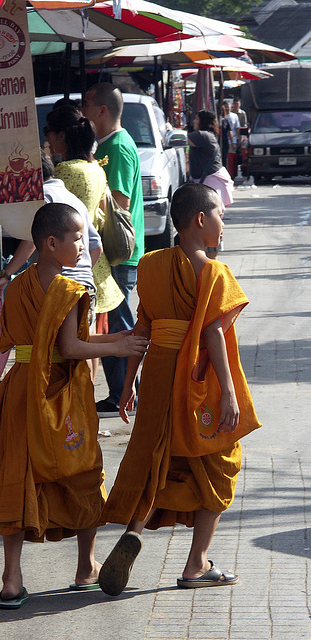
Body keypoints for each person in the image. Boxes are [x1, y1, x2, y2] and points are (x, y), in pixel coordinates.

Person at [0, 203, 149, 608]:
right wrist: (120, 345)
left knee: (19, 479)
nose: (84, 245)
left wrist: (121, 340)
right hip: (59, 391)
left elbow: (35, 344)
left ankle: (11, 580)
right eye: (78, 237)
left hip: (20, 389)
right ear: (51, 243)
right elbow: (70, 347)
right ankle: (86, 568)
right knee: (82, 472)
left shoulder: (17, 285)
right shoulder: (69, 289)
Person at [97, 183, 261, 597]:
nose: (224, 224)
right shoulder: (214, 272)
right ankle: (196, 563)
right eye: (220, 215)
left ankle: (135, 530)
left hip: (156, 372)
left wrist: (129, 381)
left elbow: (143, 327)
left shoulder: (151, 264)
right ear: (200, 220)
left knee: (162, 455)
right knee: (220, 460)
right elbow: (213, 335)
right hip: (196, 379)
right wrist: (227, 391)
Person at [44, 104, 124, 379]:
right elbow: (100, 217)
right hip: (92, 264)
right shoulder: (96, 169)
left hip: (68, 264)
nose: (47, 140)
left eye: (48, 132)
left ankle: (82, 408)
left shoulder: (63, 173)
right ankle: (87, 404)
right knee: (87, 338)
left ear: (60, 136)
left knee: (75, 345)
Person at [82, 82, 144, 417]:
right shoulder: (106, 144)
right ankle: (123, 391)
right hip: (109, 255)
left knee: (120, 324)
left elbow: (119, 202)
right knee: (113, 322)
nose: (83, 110)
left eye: (87, 103)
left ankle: (126, 393)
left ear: (102, 110)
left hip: (118, 253)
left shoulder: (118, 147)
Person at [0, 151, 101, 332]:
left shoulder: (43, 198)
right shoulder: (74, 200)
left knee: (63, 349)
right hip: (86, 287)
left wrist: (6, 274)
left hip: (62, 289)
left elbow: (30, 241)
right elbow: (97, 248)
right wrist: (82, 274)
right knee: (81, 347)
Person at [188, 108, 234, 259]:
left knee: (210, 223)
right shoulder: (208, 136)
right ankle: (209, 262)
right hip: (209, 185)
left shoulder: (202, 135)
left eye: (196, 119)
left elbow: (183, 139)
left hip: (209, 186)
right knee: (209, 223)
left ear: (202, 121)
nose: (194, 121)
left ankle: (211, 264)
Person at [222, 101, 240, 179]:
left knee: (231, 158)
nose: (226, 108)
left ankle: (232, 174)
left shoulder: (234, 116)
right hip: (224, 140)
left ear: (230, 107)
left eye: (228, 106)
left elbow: (237, 128)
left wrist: (238, 139)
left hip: (233, 140)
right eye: (225, 106)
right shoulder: (222, 118)